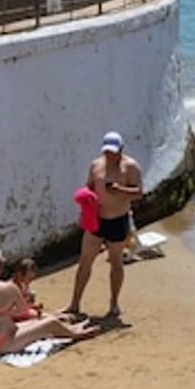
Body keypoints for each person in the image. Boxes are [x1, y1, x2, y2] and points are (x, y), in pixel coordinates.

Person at [0, 246, 94, 356]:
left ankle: (72, 329)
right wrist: (4, 311)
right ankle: (76, 334)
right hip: (2, 345)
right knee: (49, 323)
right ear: (1, 266)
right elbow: (22, 309)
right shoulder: (8, 288)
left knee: (32, 324)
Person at [67, 134, 144, 323]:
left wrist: (120, 190)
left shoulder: (130, 166)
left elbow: (139, 192)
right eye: (107, 151)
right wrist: (85, 207)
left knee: (116, 262)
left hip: (117, 220)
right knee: (85, 261)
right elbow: (89, 188)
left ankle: (114, 303)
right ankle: (75, 303)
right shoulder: (96, 165)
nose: (109, 155)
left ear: (121, 149)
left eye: (113, 152)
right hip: (96, 220)